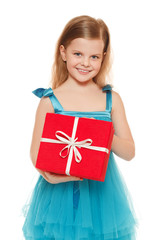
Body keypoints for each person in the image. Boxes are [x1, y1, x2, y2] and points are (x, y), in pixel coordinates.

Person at [22, 15, 138, 239]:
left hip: (102, 197)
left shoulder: (111, 99)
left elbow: (130, 152)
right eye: (78, 54)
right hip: (58, 197)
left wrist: (101, 135)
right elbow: (36, 155)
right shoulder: (50, 101)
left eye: (94, 56)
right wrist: (49, 176)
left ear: (103, 58)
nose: (86, 63)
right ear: (63, 53)